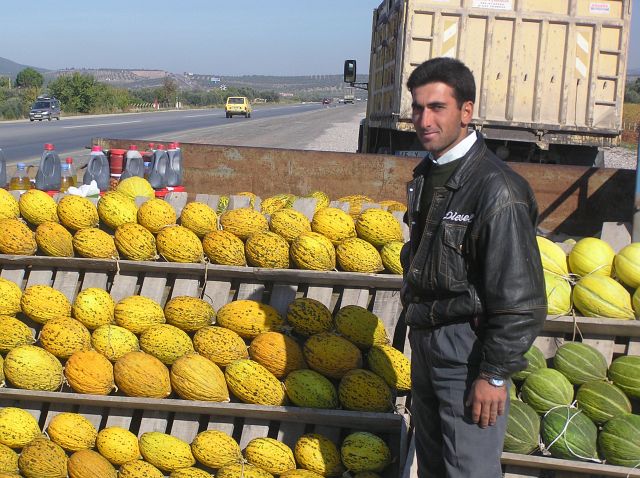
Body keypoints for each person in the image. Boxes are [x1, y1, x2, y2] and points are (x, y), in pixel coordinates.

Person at [400, 57, 547, 478]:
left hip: (467, 351)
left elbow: (522, 300)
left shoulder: (498, 189)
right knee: (433, 466)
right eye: (417, 108)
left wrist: (495, 374)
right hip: (427, 343)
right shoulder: (427, 176)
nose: (424, 119)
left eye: (437, 107)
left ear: (466, 112)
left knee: (469, 469)